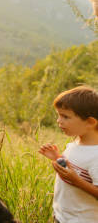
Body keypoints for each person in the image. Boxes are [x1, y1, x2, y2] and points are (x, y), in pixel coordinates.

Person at [39, 86, 98, 223]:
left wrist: (76, 181)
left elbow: (76, 177)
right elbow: (74, 169)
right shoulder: (75, 142)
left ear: (90, 122)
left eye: (65, 116)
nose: (59, 121)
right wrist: (57, 158)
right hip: (61, 216)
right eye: (58, 115)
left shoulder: (96, 155)